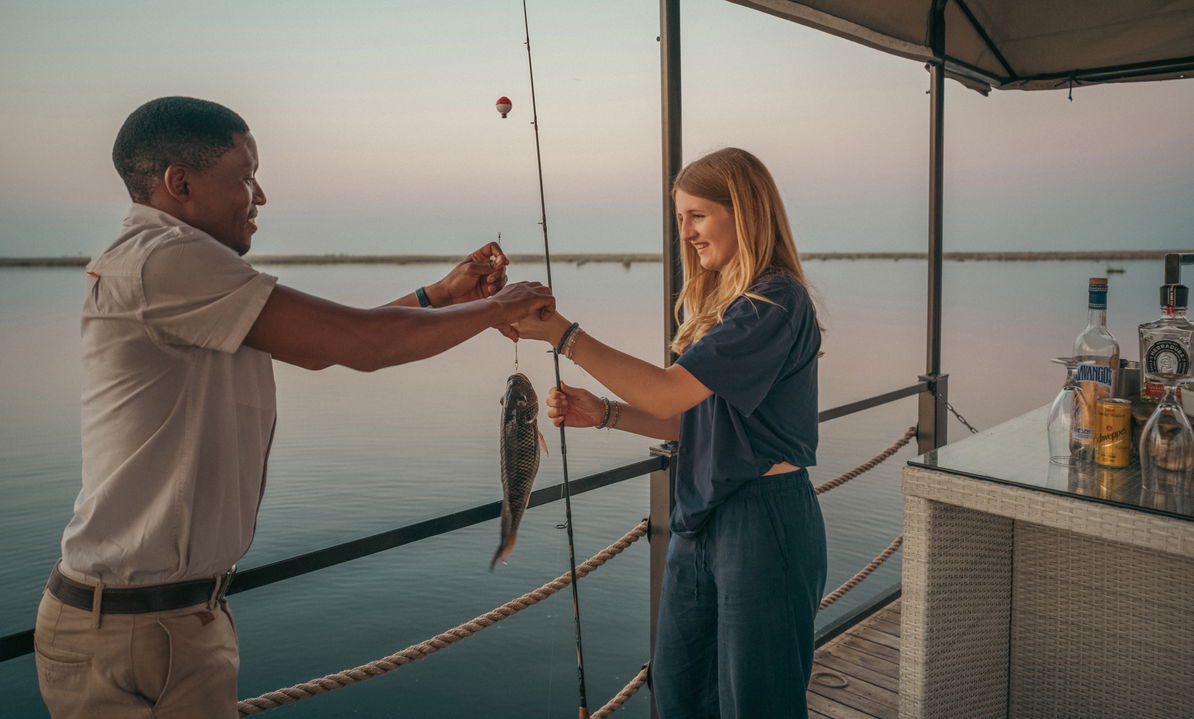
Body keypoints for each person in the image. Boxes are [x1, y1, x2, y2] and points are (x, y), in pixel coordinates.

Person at [33, 96, 555, 719]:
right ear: (180, 182)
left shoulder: (178, 267)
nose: (261, 196)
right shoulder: (165, 258)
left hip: (172, 620)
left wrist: (441, 297)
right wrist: (502, 306)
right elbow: (362, 343)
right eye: (246, 175)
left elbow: (322, 347)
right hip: (135, 634)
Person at [515, 147, 826, 718]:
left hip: (764, 521)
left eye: (697, 215)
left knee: (757, 705)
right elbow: (691, 418)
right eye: (680, 217)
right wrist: (606, 413)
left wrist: (561, 334)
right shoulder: (723, 306)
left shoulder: (774, 302)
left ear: (746, 212)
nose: (685, 232)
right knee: (680, 695)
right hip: (699, 515)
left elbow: (665, 390)